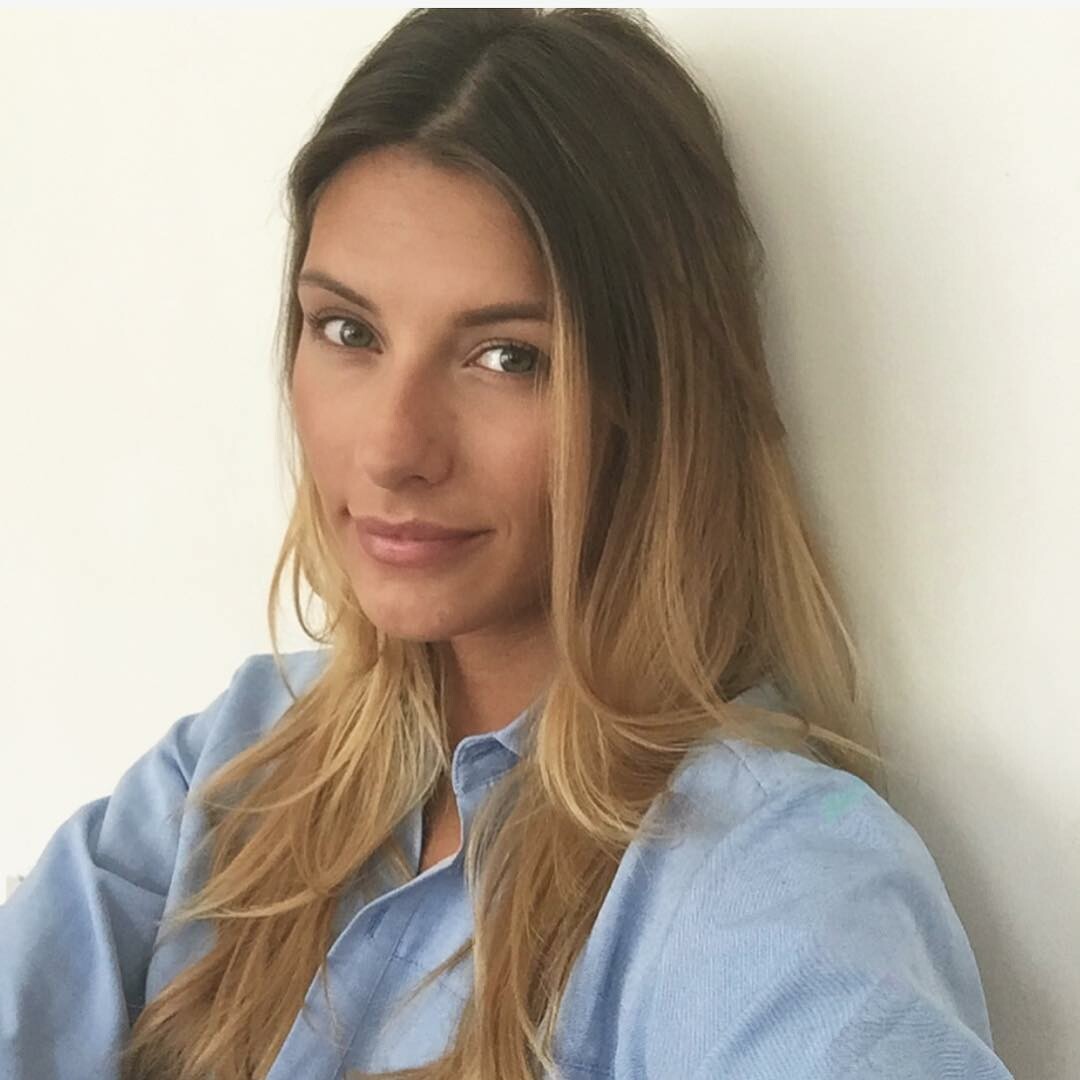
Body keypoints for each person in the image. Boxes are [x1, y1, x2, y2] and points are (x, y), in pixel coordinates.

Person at [0, 8, 1015, 1080]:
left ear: (650, 401)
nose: (392, 450)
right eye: (349, 331)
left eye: (506, 357)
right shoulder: (239, 764)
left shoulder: (770, 884)